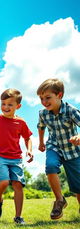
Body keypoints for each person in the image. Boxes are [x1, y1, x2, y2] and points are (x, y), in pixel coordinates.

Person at [0, 88, 33, 225]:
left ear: (18, 106)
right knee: (4, 182)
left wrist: (29, 150)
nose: (6, 107)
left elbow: (28, 138)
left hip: (16, 158)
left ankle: (18, 217)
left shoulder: (21, 123)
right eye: (3, 103)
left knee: (18, 184)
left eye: (10, 104)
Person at [37, 78, 80, 219]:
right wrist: (41, 142)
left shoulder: (70, 110)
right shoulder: (43, 113)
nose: (44, 101)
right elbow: (41, 127)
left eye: (48, 97)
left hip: (72, 150)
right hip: (54, 146)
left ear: (59, 95)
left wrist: (78, 136)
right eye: (41, 98)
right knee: (50, 166)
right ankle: (59, 200)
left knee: (77, 186)